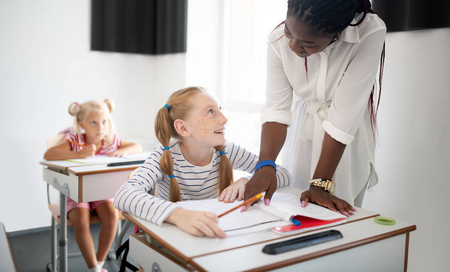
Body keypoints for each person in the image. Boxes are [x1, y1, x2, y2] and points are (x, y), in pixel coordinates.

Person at [244, 0, 386, 217]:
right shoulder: (277, 41)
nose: (292, 46)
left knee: (340, 220)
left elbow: (345, 114)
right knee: (295, 211)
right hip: (303, 130)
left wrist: (320, 184)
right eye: (289, 31)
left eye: (307, 44)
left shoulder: (370, 31)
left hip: (344, 138)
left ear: (337, 34)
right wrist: (266, 165)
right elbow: (277, 109)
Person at [113, 86, 291, 238]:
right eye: (211, 112)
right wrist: (179, 215)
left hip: (212, 233)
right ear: (183, 128)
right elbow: (124, 195)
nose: (224, 119)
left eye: (219, 109)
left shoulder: (228, 150)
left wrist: (246, 182)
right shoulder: (164, 155)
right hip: (173, 238)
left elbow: (282, 173)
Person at [44, 99, 143, 272]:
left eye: (104, 122)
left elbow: (137, 146)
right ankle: (93, 269)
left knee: (112, 216)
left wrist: (124, 150)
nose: (100, 128)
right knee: (80, 220)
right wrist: (78, 154)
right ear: (82, 124)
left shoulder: (110, 141)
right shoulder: (76, 140)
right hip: (76, 192)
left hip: (101, 192)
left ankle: (99, 263)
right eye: (94, 123)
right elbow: (49, 154)